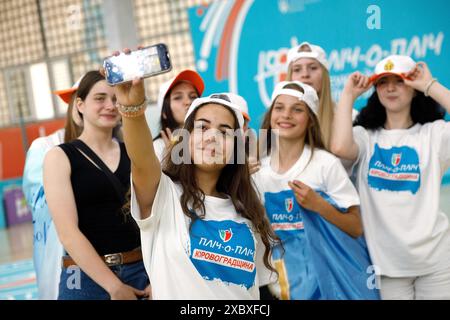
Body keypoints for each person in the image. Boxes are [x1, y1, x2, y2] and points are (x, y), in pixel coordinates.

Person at [111, 50, 278, 298]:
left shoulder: (248, 210)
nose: (212, 137)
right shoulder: (165, 196)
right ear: (185, 140)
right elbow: (142, 159)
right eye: (202, 128)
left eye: (224, 131)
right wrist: (131, 108)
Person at [331, 55, 450, 299]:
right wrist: (348, 95)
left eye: (400, 81)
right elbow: (340, 148)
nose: (391, 88)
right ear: (376, 90)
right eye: (383, 82)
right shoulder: (365, 136)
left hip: (437, 263)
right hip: (386, 267)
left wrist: (430, 85)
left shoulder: (434, 134)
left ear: (414, 88)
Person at [253, 80, 379, 300]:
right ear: (270, 115)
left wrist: (319, 205)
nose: (286, 115)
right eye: (279, 108)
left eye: (297, 109)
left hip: (328, 282)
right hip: (286, 286)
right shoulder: (257, 172)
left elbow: (355, 226)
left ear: (310, 119)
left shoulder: (325, 164)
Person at [43, 70, 150, 300]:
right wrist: (114, 286)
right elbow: (68, 232)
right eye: (100, 98)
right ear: (80, 105)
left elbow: (153, 218)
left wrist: (158, 274)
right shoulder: (59, 157)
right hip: (84, 279)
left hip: (141, 273)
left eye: (115, 99)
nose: (110, 105)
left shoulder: (134, 152)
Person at [22, 77, 83, 299]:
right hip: (62, 262)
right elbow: (40, 199)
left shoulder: (119, 149)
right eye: (82, 98)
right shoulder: (45, 147)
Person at [286, 42, 358, 150]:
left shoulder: (350, 118)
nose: (305, 74)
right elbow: (266, 157)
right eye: (297, 69)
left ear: (325, 76)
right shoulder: (279, 118)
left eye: (313, 68)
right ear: (290, 77)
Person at [153, 69, 204, 161]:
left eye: (193, 97)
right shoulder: (158, 147)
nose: (188, 102)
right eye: (178, 97)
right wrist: (170, 160)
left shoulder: (210, 140)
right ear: (164, 112)